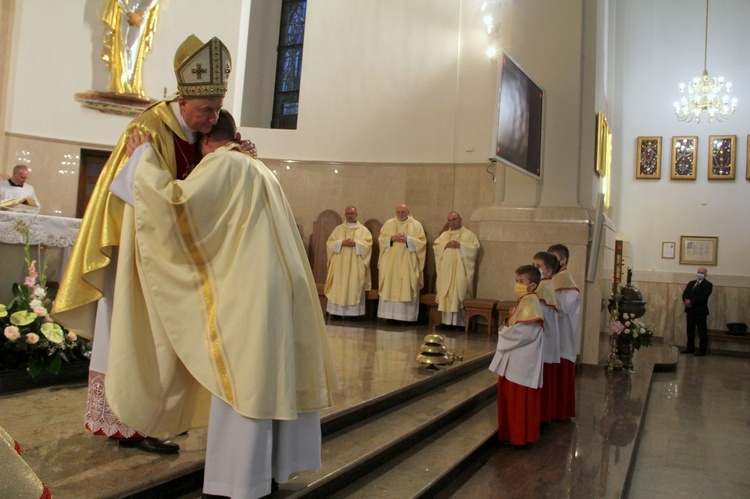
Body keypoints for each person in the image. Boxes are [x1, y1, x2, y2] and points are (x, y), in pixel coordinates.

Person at [107, 109, 338, 498]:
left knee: (243, 383)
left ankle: (238, 482)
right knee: (273, 379)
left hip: (250, 294)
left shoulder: (223, 165)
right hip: (283, 290)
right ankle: (272, 469)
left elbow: (175, 205)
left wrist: (141, 160)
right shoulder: (260, 169)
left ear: (207, 141)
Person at [52, 34, 235, 454]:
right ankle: (130, 424)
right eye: (207, 111)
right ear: (183, 101)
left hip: (173, 255)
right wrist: (143, 165)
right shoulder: (147, 128)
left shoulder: (200, 131)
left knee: (167, 344)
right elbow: (130, 195)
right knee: (135, 341)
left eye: (217, 109)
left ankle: (159, 415)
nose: (213, 119)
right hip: (136, 256)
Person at [488, 264, 544, 446]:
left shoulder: (531, 303)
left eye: (521, 281)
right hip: (516, 359)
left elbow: (524, 333)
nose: (517, 284)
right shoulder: (525, 300)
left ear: (533, 285)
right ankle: (511, 434)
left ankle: (519, 437)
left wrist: (504, 331)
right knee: (512, 400)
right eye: (516, 280)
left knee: (518, 402)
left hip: (522, 361)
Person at [377, 203, 427, 323]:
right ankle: (388, 316)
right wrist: (391, 239)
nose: (400, 214)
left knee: (407, 285)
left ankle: (405, 318)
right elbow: (381, 239)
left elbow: (422, 243)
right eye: (398, 212)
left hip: (408, 262)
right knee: (389, 283)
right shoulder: (389, 224)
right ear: (395, 212)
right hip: (391, 263)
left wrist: (408, 240)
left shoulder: (416, 225)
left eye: (403, 212)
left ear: (408, 212)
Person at [102, 0, 160, 97]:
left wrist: (139, 14)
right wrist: (128, 12)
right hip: (124, 13)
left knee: (133, 48)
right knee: (123, 47)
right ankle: (121, 84)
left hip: (141, 15)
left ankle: (132, 84)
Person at [548, 243, 580, 421]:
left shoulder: (565, 281)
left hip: (562, 335)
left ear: (563, 260)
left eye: (553, 259)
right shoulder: (556, 278)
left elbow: (562, 308)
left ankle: (558, 411)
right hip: (554, 333)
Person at [324, 206, 373, 319]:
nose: (349, 216)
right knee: (338, 286)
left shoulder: (363, 230)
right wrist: (341, 242)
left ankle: (353, 315)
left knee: (354, 285)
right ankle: (336, 313)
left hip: (356, 265)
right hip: (339, 265)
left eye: (352, 213)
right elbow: (329, 244)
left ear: (356, 214)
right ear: (345, 215)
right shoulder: (338, 229)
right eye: (347, 213)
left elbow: (368, 245)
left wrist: (356, 243)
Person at [433, 211, 480, 328]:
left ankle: (459, 324)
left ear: (460, 219)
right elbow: (436, 246)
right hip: (446, 271)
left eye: (454, 219)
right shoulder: (444, 235)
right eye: (450, 220)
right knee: (446, 293)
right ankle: (445, 322)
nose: (452, 222)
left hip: (461, 271)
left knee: (459, 292)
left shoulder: (469, 235)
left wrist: (461, 246)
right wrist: (445, 245)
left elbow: (474, 249)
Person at [532, 251, 560, 424]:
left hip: (542, 339)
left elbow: (538, 315)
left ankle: (540, 416)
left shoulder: (543, 288)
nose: (534, 269)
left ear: (548, 272)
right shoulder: (544, 285)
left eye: (538, 267)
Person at [681, 267, 713, 356]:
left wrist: (691, 302)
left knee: (702, 331)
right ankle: (690, 348)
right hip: (690, 310)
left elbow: (704, 296)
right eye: (699, 272)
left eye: (702, 273)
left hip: (700, 311)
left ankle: (702, 350)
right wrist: (686, 301)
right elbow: (685, 294)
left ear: (705, 274)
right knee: (690, 330)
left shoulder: (708, 285)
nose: (700, 274)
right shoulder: (691, 283)